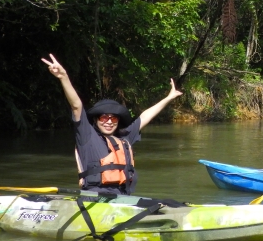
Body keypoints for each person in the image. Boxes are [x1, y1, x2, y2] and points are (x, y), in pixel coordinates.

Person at [42, 53, 183, 196]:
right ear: (96, 120)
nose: (109, 121)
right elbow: (76, 106)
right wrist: (64, 77)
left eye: (113, 118)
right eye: (104, 117)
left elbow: (145, 116)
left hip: (123, 197)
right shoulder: (87, 136)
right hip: (95, 197)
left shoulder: (124, 138)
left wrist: (169, 98)